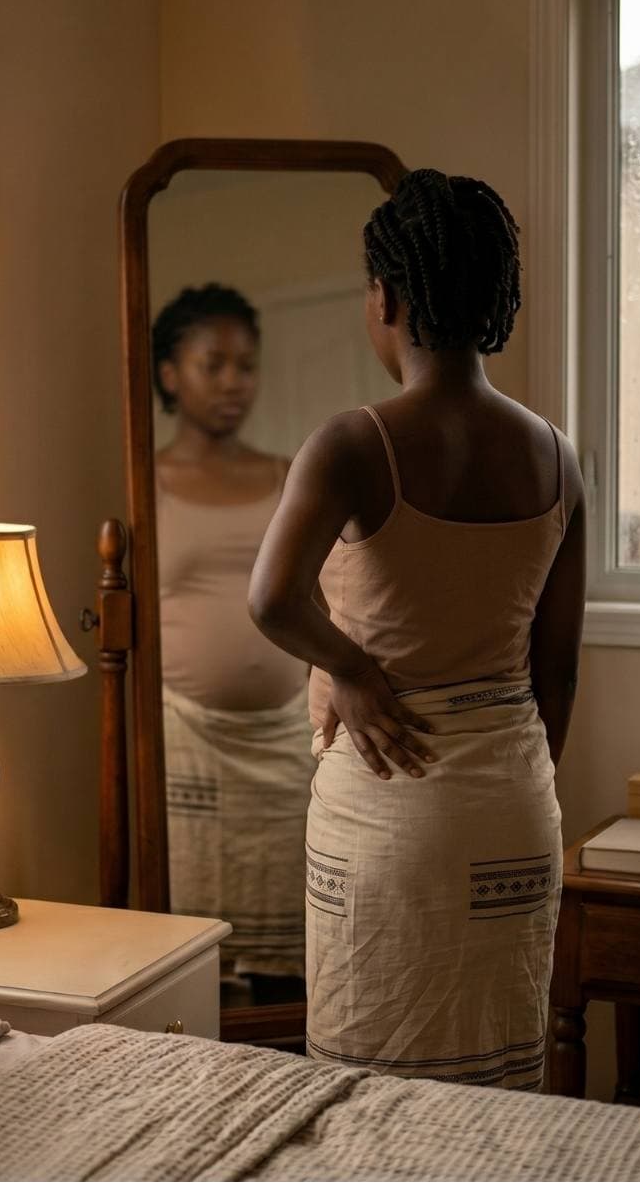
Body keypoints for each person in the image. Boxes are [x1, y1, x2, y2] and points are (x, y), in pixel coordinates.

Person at [248, 170, 585, 1088]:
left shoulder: (353, 444)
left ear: (387, 297)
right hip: (514, 806)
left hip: (388, 808)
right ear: (493, 297)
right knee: (498, 1094)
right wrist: (511, 776)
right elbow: (558, 671)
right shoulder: (558, 457)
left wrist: (352, 671)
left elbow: (273, 599)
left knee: (368, 1094)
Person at [152, 283, 315, 1004]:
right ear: (169, 375)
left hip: (286, 741)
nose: (233, 383)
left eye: (245, 366)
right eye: (212, 364)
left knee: (293, 962)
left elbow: (324, 593)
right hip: (184, 739)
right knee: (194, 963)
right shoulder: (144, 479)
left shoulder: (287, 474)